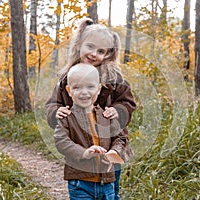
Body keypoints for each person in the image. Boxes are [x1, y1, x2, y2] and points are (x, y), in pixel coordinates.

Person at [46, 17, 136, 199]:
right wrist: (56, 112)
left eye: (101, 51)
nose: (94, 54)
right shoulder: (67, 78)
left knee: (112, 189)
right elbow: (52, 104)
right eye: (90, 47)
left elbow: (128, 102)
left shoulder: (113, 78)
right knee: (83, 188)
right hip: (81, 146)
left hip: (111, 144)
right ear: (80, 44)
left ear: (108, 54)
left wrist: (117, 111)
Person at [54, 63, 129, 200]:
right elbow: (61, 140)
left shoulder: (106, 115)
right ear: (69, 91)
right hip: (80, 182)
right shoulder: (67, 117)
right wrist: (83, 152)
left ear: (98, 89)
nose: (84, 92)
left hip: (107, 181)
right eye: (77, 87)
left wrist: (114, 152)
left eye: (90, 87)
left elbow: (120, 138)